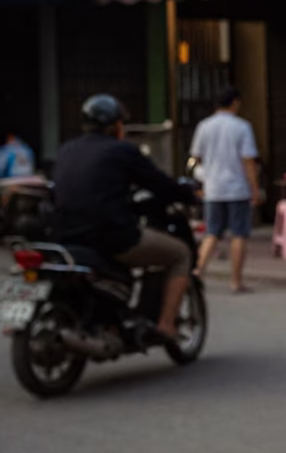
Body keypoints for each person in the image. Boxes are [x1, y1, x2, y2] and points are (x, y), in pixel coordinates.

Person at [53, 95, 196, 343]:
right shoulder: (123, 150)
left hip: (66, 235)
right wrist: (188, 194)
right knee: (181, 253)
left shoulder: (67, 149)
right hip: (110, 236)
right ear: (114, 125)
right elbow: (159, 183)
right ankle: (166, 325)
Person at [191, 87, 261, 293]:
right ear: (235, 103)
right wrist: (255, 187)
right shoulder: (242, 127)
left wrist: (203, 181)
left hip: (213, 188)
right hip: (237, 188)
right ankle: (236, 281)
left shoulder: (204, 126)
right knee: (239, 234)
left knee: (211, 233)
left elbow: (197, 157)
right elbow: (248, 160)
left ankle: (198, 273)